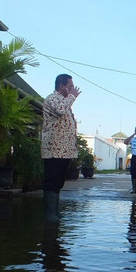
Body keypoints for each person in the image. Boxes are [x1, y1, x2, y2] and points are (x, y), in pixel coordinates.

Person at [41, 74, 81, 221]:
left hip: (64, 151)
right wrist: (72, 97)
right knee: (51, 181)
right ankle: (49, 213)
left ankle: (55, 211)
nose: (72, 90)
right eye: (70, 86)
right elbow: (60, 110)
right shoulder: (53, 98)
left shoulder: (65, 101)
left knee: (58, 181)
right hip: (54, 150)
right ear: (62, 86)